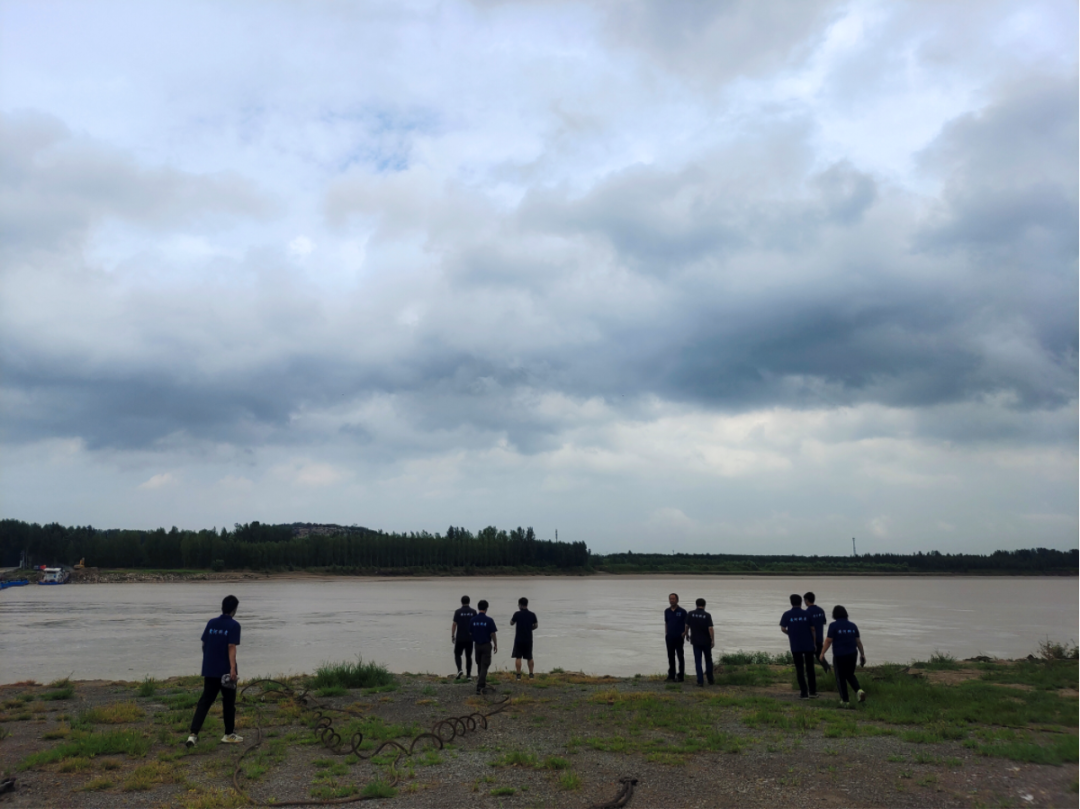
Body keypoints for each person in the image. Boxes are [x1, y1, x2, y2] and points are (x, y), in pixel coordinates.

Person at [186, 594, 243, 747]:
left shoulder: (211, 623)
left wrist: (208, 660)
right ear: (234, 609)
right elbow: (231, 646)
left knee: (205, 702)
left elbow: (204, 644)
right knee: (229, 702)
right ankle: (229, 734)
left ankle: (193, 735)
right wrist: (233, 669)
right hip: (226, 672)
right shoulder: (234, 625)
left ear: (222, 607)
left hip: (210, 669)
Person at [820, 604, 866, 707]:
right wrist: (862, 655)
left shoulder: (833, 625)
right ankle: (859, 690)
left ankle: (845, 700)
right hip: (852, 654)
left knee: (840, 677)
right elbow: (858, 642)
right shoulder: (852, 625)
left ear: (834, 615)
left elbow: (828, 641)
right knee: (850, 674)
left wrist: (822, 653)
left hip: (840, 655)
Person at [779, 593, 818, 699]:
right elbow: (813, 629)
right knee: (810, 668)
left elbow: (783, 628)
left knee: (799, 668)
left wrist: (790, 633)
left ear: (791, 602)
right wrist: (814, 643)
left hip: (796, 644)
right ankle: (813, 692)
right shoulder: (807, 614)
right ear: (801, 602)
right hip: (808, 644)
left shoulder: (787, 614)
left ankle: (804, 693)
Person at [470, 600, 498, 695]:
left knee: (479, 665)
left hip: (477, 645)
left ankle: (481, 682)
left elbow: (470, 633)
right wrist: (495, 644)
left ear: (478, 608)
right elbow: (493, 634)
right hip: (486, 645)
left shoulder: (473, 620)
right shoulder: (489, 620)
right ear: (486, 608)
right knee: (484, 666)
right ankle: (480, 686)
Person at [686, 598, 715, 687]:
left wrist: (686, 634)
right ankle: (710, 679)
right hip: (706, 641)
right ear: (704, 605)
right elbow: (710, 628)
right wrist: (712, 640)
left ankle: (700, 681)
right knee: (708, 660)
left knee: (698, 661)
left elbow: (687, 626)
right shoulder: (707, 615)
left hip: (695, 641)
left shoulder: (690, 614)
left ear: (696, 604)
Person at [510, 597, 538, 679]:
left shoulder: (517, 614)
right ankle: (531, 674)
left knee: (518, 657)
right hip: (528, 639)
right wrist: (529, 628)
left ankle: (518, 675)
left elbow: (511, 623)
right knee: (529, 657)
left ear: (520, 605)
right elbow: (536, 625)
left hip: (519, 639)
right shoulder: (532, 614)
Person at [804, 592, 832, 674]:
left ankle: (809, 674)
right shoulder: (820, 610)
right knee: (820, 656)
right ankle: (828, 670)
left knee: (808, 658)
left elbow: (806, 626)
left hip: (810, 639)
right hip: (819, 637)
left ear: (807, 600)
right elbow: (824, 622)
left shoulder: (807, 612)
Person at [451, 595, 477, 681]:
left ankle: (459, 669)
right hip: (470, 638)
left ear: (461, 602)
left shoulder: (458, 612)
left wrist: (452, 635)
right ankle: (468, 675)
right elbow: (475, 624)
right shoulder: (473, 612)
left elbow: (454, 624)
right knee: (468, 656)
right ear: (469, 602)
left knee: (457, 654)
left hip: (460, 637)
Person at [664, 593, 688, 682]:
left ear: (677, 600)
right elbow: (666, 622)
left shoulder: (682, 611)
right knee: (670, 656)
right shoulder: (667, 611)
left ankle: (681, 675)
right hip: (669, 636)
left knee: (680, 656)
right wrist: (666, 632)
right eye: (670, 599)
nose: (672, 600)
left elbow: (687, 623)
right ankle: (671, 675)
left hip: (679, 637)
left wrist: (685, 633)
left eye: (673, 599)